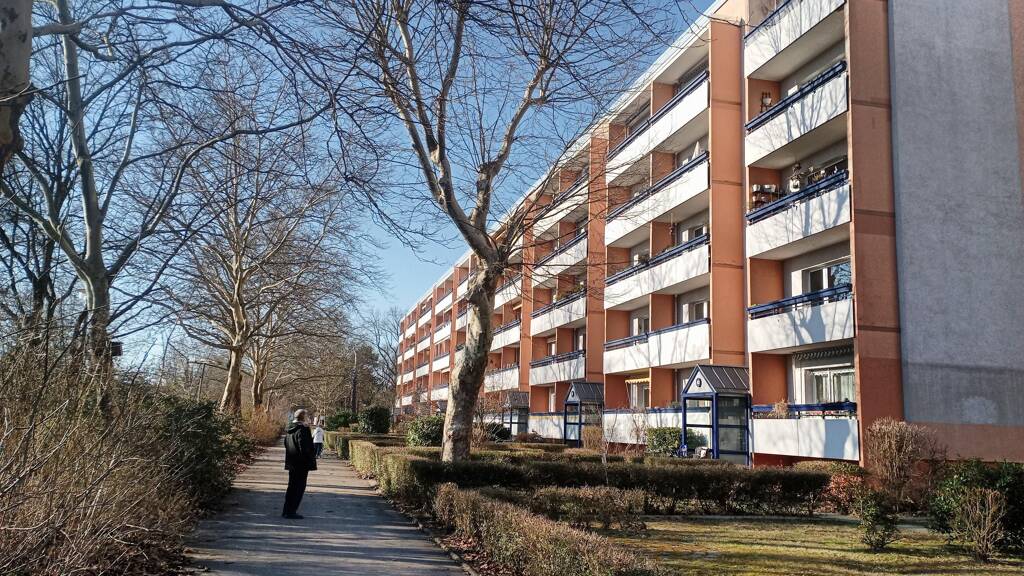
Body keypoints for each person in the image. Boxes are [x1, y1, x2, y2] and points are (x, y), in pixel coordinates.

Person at [282, 408, 317, 519]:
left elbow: (286, 444)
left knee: (291, 487)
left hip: (292, 463)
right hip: (301, 464)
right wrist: (310, 457)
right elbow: (304, 448)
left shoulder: (289, 429)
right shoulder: (303, 430)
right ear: (304, 417)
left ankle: (286, 510)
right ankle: (291, 512)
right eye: (307, 416)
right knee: (299, 488)